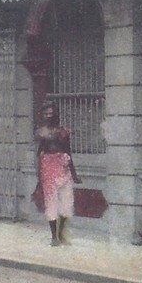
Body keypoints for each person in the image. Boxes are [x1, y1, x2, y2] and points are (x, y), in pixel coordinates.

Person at [34, 103, 82, 246]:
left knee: (67, 204)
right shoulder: (41, 132)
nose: (49, 116)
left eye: (51, 113)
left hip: (64, 168)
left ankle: (60, 234)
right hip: (48, 169)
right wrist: (39, 175)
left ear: (57, 115)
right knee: (51, 203)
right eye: (46, 114)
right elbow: (39, 154)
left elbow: (68, 151)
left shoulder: (63, 132)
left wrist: (74, 174)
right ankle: (54, 237)